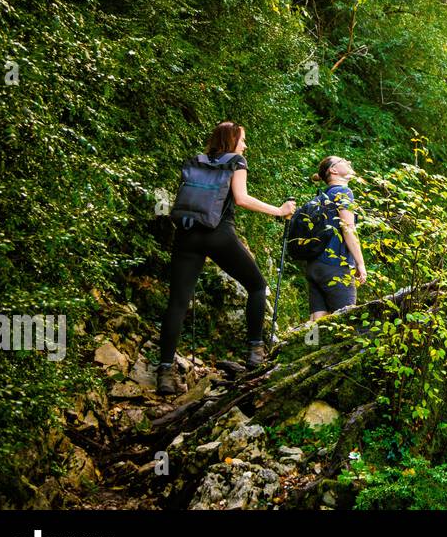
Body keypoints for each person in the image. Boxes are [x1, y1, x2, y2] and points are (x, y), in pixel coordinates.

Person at [156, 122, 296, 395]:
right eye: (242, 140)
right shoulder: (236, 161)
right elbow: (241, 199)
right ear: (232, 141)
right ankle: (255, 350)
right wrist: (279, 211)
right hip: (218, 234)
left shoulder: (196, 161)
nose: (244, 146)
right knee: (256, 285)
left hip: (186, 235)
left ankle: (164, 372)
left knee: (177, 302)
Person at [305, 155, 365, 321]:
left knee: (316, 320)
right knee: (347, 320)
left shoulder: (322, 196)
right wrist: (360, 263)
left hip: (315, 265)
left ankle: (311, 345)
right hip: (335, 265)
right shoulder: (343, 192)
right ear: (333, 170)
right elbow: (348, 229)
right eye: (343, 161)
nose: (349, 161)